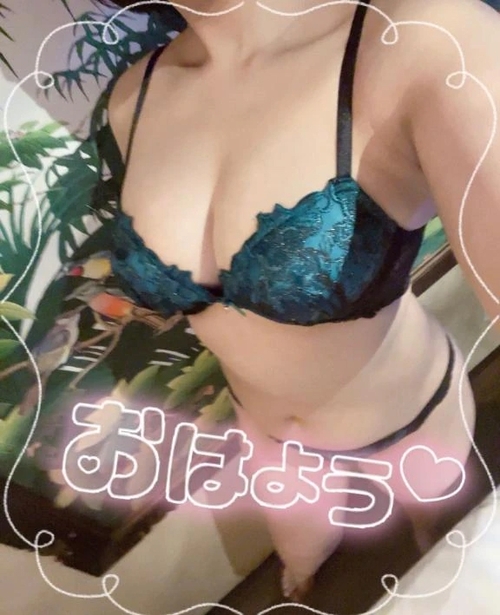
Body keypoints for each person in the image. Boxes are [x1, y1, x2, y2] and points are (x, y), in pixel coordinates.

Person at [99, 0, 499, 602]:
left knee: (438, 552)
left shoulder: (422, 39)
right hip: (270, 439)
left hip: (413, 418)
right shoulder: (133, 96)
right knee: (299, 571)